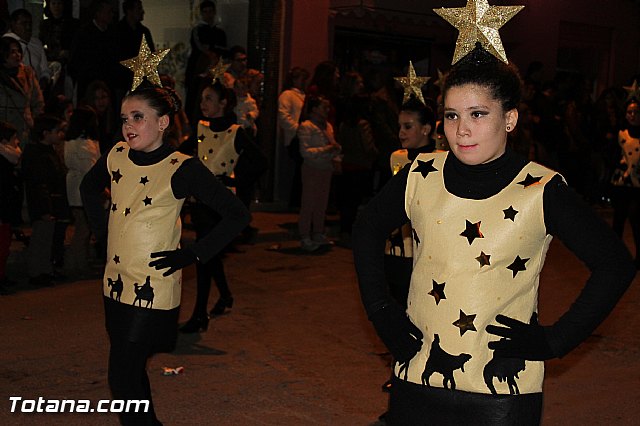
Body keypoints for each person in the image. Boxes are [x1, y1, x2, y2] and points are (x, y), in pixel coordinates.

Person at [352, 44, 635, 425]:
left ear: (510, 118)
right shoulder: (420, 175)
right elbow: (367, 227)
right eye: (451, 115)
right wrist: (381, 309)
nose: (462, 129)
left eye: (478, 114)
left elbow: (614, 264)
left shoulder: (541, 190)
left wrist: (556, 340)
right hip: (419, 371)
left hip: (500, 390)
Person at [80, 83, 250, 425]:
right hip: (114, 281)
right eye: (125, 117)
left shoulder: (180, 167)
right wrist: (101, 233)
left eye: (138, 117)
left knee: (121, 376)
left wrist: (194, 254)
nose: (128, 125)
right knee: (131, 370)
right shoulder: (116, 154)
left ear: (162, 123)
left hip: (152, 286)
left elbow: (238, 214)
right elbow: (86, 186)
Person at [177, 78, 267, 333]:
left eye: (209, 98)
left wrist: (234, 178)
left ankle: (199, 314)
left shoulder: (237, 132)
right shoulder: (200, 128)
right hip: (200, 201)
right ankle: (225, 295)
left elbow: (260, 162)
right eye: (203, 98)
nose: (203, 103)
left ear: (223, 103)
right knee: (209, 251)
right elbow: (179, 154)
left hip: (221, 203)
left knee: (204, 252)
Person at [21, 115, 67, 287]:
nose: (60, 135)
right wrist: (45, 208)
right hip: (43, 204)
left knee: (47, 238)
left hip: (51, 202)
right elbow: (38, 184)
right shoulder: (36, 154)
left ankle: (45, 270)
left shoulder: (48, 151)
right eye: (57, 131)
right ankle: (36, 272)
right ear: (46, 133)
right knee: (40, 238)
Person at [297, 94, 341, 252]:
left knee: (321, 203)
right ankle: (304, 235)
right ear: (314, 109)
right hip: (311, 168)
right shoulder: (307, 126)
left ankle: (317, 232)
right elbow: (305, 152)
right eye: (324, 107)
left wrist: (334, 154)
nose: (327, 110)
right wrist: (327, 149)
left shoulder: (327, 126)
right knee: (308, 202)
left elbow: (331, 147)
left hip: (325, 167)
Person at [63, 106, 100, 278]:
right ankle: (76, 265)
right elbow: (89, 169)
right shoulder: (80, 143)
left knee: (83, 229)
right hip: (82, 190)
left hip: (80, 187)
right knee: (82, 230)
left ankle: (78, 262)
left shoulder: (77, 141)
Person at [184, 0, 226, 122]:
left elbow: (222, 50)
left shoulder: (220, 32)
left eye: (210, 11)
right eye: (205, 12)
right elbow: (200, 47)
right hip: (198, 71)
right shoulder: (197, 30)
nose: (208, 15)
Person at [610, 96, 640, 268]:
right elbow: (612, 154)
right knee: (619, 218)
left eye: (636, 112)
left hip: (638, 184)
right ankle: (616, 256)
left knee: (636, 217)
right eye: (630, 112)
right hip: (622, 181)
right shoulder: (621, 133)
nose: (632, 115)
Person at [68, 0, 116, 104]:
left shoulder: (112, 34)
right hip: (88, 84)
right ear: (98, 13)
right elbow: (76, 60)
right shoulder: (84, 34)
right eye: (109, 12)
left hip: (107, 84)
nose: (112, 15)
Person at [0, 36, 44, 147]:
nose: (18, 55)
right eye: (12, 52)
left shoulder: (27, 73)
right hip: (4, 129)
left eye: (19, 51)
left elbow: (38, 101)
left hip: (24, 128)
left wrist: (34, 121)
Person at [277, 66, 309, 209]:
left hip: (305, 137)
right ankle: (295, 202)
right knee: (298, 172)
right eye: (302, 79)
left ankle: (300, 202)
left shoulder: (304, 95)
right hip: (295, 137)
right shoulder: (287, 95)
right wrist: (298, 128)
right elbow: (283, 116)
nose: (304, 82)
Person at [4, 9, 50, 91]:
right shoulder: (6, 43)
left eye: (30, 24)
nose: (28, 27)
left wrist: (44, 79)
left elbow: (45, 69)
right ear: (13, 24)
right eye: (24, 24)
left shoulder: (36, 43)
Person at [0, 120, 21, 294]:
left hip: (7, 208)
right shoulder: (3, 160)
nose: (17, 142)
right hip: (2, 209)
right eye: (14, 138)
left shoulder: (10, 159)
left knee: (4, 246)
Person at [80, 79, 117, 153]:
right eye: (96, 98)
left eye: (103, 97)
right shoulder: (88, 119)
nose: (101, 102)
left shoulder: (112, 117)